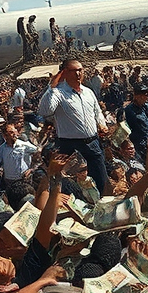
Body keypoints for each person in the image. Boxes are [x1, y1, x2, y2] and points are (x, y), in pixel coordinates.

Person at [37, 59, 109, 194]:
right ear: (64, 73)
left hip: (92, 143)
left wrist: (102, 125)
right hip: (69, 147)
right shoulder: (58, 93)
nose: (78, 74)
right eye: (73, 71)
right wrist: (51, 87)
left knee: (101, 180)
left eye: (80, 70)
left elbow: (97, 111)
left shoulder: (88, 92)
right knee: (72, 186)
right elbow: (45, 111)